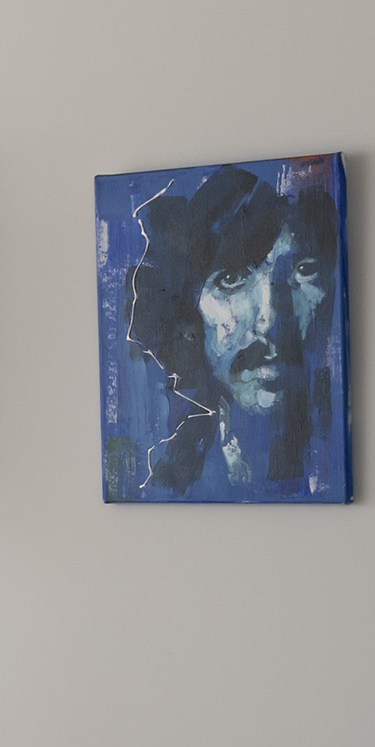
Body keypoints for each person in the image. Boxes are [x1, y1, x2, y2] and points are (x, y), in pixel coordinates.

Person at [116, 163, 344, 497]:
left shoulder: (334, 454)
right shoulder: (172, 473)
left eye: (303, 270)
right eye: (232, 279)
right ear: (191, 309)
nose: (269, 318)